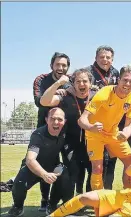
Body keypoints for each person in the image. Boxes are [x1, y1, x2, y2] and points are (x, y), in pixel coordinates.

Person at [78, 65, 131, 190]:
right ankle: (98, 203)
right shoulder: (104, 93)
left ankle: (129, 195)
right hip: (95, 133)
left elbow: (128, 125)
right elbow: (82, 120)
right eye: (125, 80)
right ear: (118, 80)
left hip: (113, 134)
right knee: (97, 168)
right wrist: (90, 127)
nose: (127, 84)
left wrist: (126, 134)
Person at [8, 108, 73, 217]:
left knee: (64, 173)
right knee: (19, 183)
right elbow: (30, 160)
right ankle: (17, 207)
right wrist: (44, 174)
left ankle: (52, 204)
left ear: (64, 121)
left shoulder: (65, 133)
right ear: (46, 120)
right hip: (32, 168)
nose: (56, 122)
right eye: (52, 119)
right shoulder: (38, 135)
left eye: (59, 119)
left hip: (52, 166)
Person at [40, 68, 95, 196]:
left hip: (91, 142)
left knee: (93, 171)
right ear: (72, 83)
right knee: (72, 171)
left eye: (85, 81)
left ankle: (87, 199)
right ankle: (69, 203)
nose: (81, 84)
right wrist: (57, 84)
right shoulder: (65, 95)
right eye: (78, 81)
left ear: (90, 83)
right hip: (70, 143)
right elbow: (44, 101)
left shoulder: (96, 96)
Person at [32, 52, 71, 211]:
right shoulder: (41, 79)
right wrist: (57, 87)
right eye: (58, 65)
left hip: (65, 130)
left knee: (67, 166)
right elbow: (39, 101)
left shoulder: (70, 81)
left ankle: (61, 200)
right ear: (51, 66)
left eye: (64, 65)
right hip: (45, 129)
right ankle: (44, 199)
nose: (61, 68)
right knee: (45, 163)